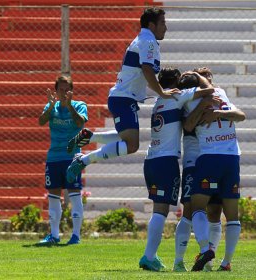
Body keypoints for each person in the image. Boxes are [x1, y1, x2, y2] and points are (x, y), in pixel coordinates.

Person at [65, 7, 179, 183]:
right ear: (152, 24)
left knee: (127, 138)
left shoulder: (144, 39)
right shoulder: (147, 41)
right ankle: (83, 159)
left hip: (124, 98)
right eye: (163, 22)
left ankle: (89, 137)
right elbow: (147, 70)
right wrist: (161, 93)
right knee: (132, 145)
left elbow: (143, 73)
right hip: (123, 99)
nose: (166, 27)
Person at [139, 67, 214, 272]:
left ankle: (151, 256)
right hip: (166, 161)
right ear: (175, 83)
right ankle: (148, 256)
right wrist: (198, 77)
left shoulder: (158, 102)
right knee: (161, 211)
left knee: (159, 208)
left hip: (151, 159)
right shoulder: (177, 97)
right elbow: (209, 91)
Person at [179, 70, 246, 271]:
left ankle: (205, 248)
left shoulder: (190, 102)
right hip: (232, 158)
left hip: (209, 157)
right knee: (232, 214)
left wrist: (212, 112)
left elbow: (189, 125)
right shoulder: (221, 94)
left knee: (198, 206)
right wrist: (220, 112)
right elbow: (241, 115)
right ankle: (226, 263)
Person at [173, 78, 223, 273]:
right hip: (194, 163)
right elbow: (188, 126)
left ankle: (208, 263)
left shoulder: (218, 99)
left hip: (214, 160)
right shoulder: (187, 103)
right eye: (204, 81)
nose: (208, 85)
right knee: (189, 211)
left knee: (214, 212)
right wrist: (204, 105)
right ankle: (179, 262)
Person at [38, 75, 88, 245]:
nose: (64, 93)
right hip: (53, 158)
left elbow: (80, 123)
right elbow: (41, 121)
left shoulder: (80, 105)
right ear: (56, 91)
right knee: (53, 195)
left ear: (71, 91)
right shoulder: (51, 106)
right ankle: (54, 235)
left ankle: (75, 236)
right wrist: (52, 106)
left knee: (74, 195)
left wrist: (70, 107)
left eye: (67, 90)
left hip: (72, 158)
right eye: (61, 90)